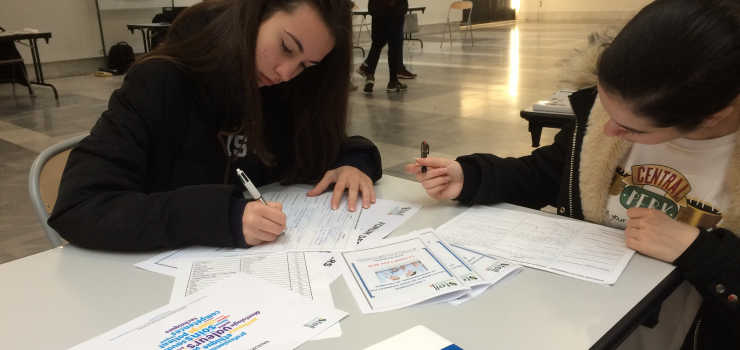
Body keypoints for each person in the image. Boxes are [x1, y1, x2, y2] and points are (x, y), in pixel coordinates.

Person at [405, 0, 740, 349]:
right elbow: (551, 173)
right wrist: (473, 177)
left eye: (631, 129)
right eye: (605, 108)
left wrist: (700, 252)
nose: (607, 131)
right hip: (585, 325)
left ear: (710, 117)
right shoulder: (601, 120)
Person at [48, 0, 382, 251]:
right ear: (254, 13)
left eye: (305, 65)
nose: (285, 72)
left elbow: (324, 146)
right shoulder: (161, 81)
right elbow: (80, 206)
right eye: (285, 48)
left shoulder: (281, 89)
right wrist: (221, 216)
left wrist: (351, 164)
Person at [361, 0, 408, 93]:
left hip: (377, 11)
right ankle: (393, 81)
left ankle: (370, 75)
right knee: (394, 45)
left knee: (376, 44)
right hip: (396, 12)